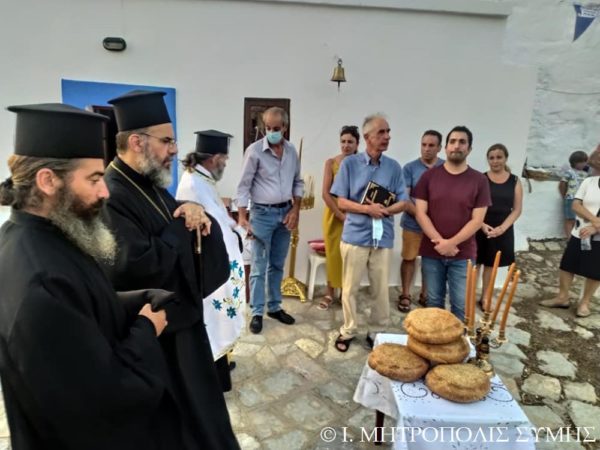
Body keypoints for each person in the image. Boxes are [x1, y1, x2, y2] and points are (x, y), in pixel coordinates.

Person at [0, 103, 184, 450]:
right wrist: (145, 329)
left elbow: (79, 306)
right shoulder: (40, 282)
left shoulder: (40, 236)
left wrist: (136, 301)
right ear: (47, 180)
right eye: (94, 179)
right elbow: (105, 398)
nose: (105, 192)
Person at [102, 91, 239, 449]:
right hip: (160, 337)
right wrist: (182, 224)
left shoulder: (150, 182)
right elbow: (134, 265)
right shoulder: (112, 195)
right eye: (167, 141)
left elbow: (168, 217)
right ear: (137, 142)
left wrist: (192, 209)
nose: (175, 150)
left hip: (183, 325)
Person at [330, 114, 408, 352]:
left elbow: (403, 201)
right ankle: (349, 329)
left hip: (382, 237)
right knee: (350, 288)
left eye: (388, 132)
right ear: (367, 137)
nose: (387, 136)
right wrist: (367, 209)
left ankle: (377, 330)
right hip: (355, 236)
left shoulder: (394, 167)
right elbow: (341, 201)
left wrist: (385, 210)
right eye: (381, 132)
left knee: (380, 289)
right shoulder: (349, 165)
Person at [175, 129, 246, 391]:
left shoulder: (203, 179)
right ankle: (212, 369)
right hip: (209, 268)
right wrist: (234, 234)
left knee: (219, 321)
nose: (225, 164)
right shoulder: (192, 184)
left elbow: (218, 217)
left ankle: (221, 362)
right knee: (214, 321)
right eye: (224, 159)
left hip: (219, 263)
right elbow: (203, 228)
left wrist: (236, 229)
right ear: (214, 158)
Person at [236, 106, 304, 334]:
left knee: (277, 264)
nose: (272, 132)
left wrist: (296, 210)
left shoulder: (291, 151)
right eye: (268, 128)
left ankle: (274, 307)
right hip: (262, 215)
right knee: (258, 266)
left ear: (285, 127)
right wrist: (243, 216)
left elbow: (298, 182)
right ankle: (257, 311)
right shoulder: (254, 151)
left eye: (276, 128)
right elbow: (243, 186)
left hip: (285, 213)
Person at [413, 126, 491, 321]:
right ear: (446, 147)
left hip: (463, 254)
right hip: (432, 251)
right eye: (453, 141)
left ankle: (459, 341)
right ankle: (436, 341)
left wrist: (451, 243)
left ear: (469, 149)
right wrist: (441, 243)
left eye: (462, 142)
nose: (457, 146)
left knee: (461, 306)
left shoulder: (479, 180)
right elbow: (420, 213)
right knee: (433, 303)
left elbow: (477, 220)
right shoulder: (428, 177)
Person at [540, 149, 600, 317]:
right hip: (579, 231)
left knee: (595, 271)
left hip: (598, 237)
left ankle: (585, 302)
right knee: (567, 265)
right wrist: (594, 220)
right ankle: (562, 297)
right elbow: (575, 205)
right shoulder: (589, 182)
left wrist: (596, 228)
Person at [397, 130, 444, 313]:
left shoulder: (446, 168)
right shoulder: (410, 168)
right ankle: (405, 294)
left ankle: (426, 294)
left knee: (431, 261)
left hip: (437, 226)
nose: (426, 149)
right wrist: (423, 217)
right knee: (409, 258)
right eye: (424, 144)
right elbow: (404, 198)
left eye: (431, 145)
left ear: (439, 148)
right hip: (412, 224)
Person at [475, 144, 523, 309]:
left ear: (505, 158)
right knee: (475, 263)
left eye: (499, 157)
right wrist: (481, 224)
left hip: (502, 227)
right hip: (480, 225)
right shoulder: (481, 179)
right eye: (491, 158)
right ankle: (469, 295)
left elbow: (517, 209)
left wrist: (502, 228)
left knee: (491, 264)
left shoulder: (515, 181)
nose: (495, 161)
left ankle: (485, 297)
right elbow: (472, 205)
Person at [318, 125, 360, 310]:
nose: (346, 145)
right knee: (333, 254)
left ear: (357, 144)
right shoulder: (331, 163)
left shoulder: (362, 163)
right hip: (334, 215)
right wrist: (340, 215)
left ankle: (346, 293)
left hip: (355, 215)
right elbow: (325, 193)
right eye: (343, 141)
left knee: (351, 256)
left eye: (350, 142)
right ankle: (329, 292)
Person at [559, 150, 588, 237]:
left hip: (582, 201)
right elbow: (562, 184)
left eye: (585, 161)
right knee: (570, 219)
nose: (584, 164)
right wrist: (564, 195)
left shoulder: (585, 174)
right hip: (571, 199)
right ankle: (569, 239)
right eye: (581, 162)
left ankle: (576, 238)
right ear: (574, 162)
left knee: (578, 220)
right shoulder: (569, 172)